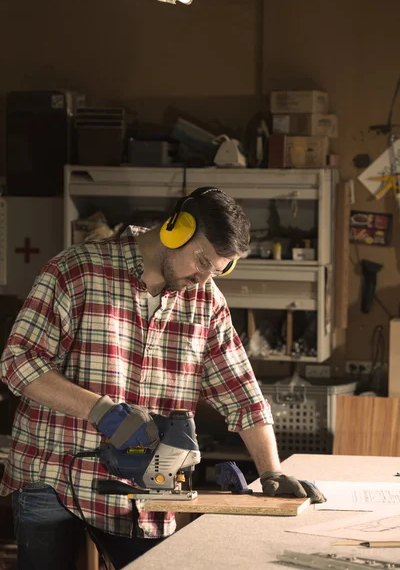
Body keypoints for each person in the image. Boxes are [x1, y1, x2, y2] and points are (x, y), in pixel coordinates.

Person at [0, 186, 325, 570]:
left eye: (217, 270)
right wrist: (100, 410)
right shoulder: (77, 270)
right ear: (176, 230)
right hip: (53, 474)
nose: (203, 279)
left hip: (144, 491)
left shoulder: (206, 302)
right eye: (201, 260)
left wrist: (272, 470)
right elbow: (18, 363)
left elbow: (243, 393)